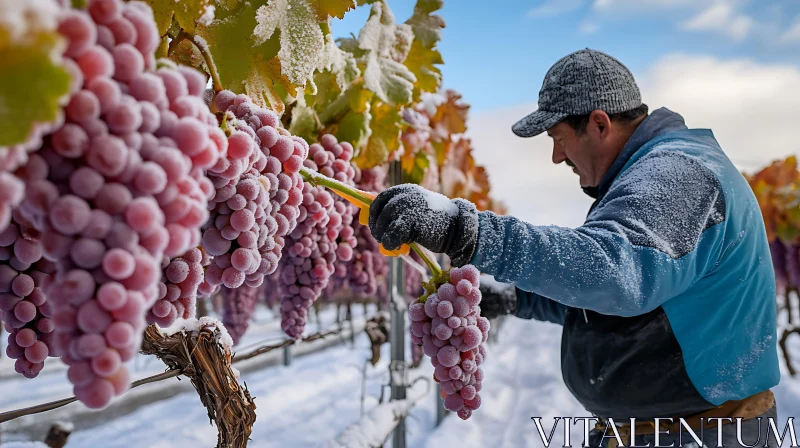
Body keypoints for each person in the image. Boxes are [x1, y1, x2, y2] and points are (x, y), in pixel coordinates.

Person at [368, 48, 781, 447]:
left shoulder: (678, 172)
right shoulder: (652, 172)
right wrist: (514, 298)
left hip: (701, 435)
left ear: (599, 124)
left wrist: (468, 232)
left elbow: (616, 273)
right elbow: (613, 299)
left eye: (558, 138)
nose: (555, 156)